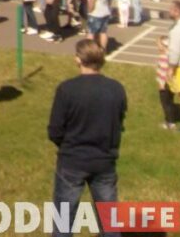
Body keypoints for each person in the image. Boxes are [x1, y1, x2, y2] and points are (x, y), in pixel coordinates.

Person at [47, 39, 127, 237]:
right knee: (110, 222)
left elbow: (55, 130)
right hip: (104, 160)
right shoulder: (116, 88)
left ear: (78, 59)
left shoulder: (67, 89)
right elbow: (119, 122)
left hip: (72, 160)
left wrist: (67, 144)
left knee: (64, 221)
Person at [165, 0, 180, 127]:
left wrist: (171, 68)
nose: (169, 11)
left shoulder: (177, 30)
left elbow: (175, 52)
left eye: (171, 9)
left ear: (177, 12)